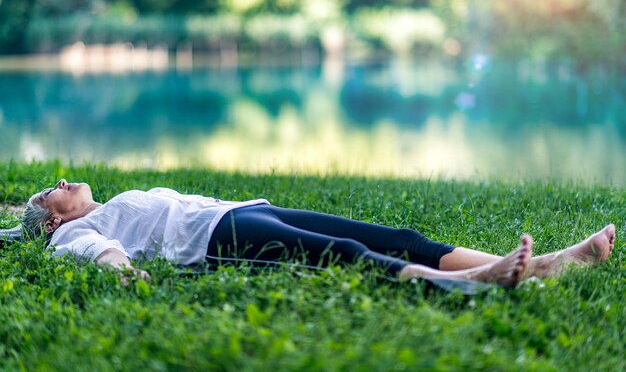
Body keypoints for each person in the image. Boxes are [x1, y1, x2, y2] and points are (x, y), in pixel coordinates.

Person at [15, 179, 615, 287]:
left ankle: (545, 264)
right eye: (52, 191)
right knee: (344, 255)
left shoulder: (102, 203)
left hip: (246, 209)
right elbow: (105, 252)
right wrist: (127, 275)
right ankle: (477, 280)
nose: (62, 181)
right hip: (215, 241)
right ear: (56, 219)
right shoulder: (73, 234)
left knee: (397, 233)